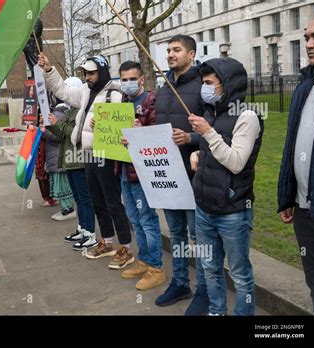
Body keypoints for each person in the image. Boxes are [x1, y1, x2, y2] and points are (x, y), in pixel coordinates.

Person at [39, 53, 135, 270]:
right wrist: (48, 70)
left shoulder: (116, 93)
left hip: (107, 154)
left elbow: (123, 123)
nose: (88, 76)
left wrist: (103, 123)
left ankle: (126, 248)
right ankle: (107, 242)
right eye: (86, 73)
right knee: (97, 201)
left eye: (92, 72)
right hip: (89, 153)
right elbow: (62, 91)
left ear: (101, 71)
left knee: (112, 202)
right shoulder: (85, 91)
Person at [189, 58, 263, 316]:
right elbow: (213, 153)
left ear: (228, 85)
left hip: (232, 212)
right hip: (204, 208)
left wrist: (208, 133)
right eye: (203, 83)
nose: (205, 88)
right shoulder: (212, 113)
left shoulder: (247, 116)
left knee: (240, 274)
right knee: (209, 267)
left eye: (210, 83)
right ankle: (216, 311)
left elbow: (236, 163)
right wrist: (197, 156)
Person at [153, 35, 209, 315]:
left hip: (194, 175)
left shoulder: (204, 86)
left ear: (192, 53)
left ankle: (205, 290)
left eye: (177, 50)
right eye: (168, 51)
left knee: (197, 236)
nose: (171, 55)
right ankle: (180, 282)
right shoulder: (164, 87)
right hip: (167, 175)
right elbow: (156, 126)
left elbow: (218, 130)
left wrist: (191, 138)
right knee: (176, 234)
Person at [278, 15, 314, 315]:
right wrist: (287, 195)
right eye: (306, 37)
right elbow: (291, 144)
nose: (308, 44)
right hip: (305, 210)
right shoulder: (306, 85)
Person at [118, 61, 166, 290]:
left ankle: (156, 268)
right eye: (123, 79)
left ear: (141, 80)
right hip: (124, 170)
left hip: (143, 172)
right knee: (134, 219)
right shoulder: (123, 102)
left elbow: (161, 135)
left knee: (147, 219)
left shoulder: (152, 102)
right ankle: (144, 260)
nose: (127, 83)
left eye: (131, 79)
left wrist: (142, 133)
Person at [46, 77, 97, 246]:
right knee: (78, 198)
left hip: (79, 160)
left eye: (69, 89)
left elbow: (77, 134)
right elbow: (62, 135)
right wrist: (52, 125)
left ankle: (90, 233)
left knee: (85, 198)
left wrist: (58, 123)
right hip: (70, 160)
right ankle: (82, 229)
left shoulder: (82, 110)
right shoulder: (71, 110)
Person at [41, 99, 76, 221]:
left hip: (57, 157)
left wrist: (44, 132)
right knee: (61, 185)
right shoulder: (63, 113)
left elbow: (59, 136)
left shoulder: (59, 115)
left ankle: (68, 210)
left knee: (62, 186)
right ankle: (64, 210)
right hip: (56, 156)